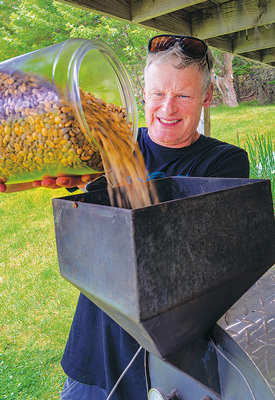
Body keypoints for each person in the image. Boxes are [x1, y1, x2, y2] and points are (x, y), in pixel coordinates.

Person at [0, 35, 249, 399]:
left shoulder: (223, 163)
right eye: (158, 93)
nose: (168, 107)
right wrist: (34, 170)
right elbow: (56, 169)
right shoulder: (110, 140)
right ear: (143, 94)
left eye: (183, 95)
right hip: (95, 350)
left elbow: (189, 257)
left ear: (206, 99)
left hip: (164, 366)